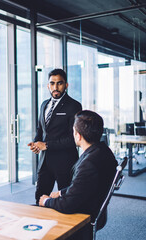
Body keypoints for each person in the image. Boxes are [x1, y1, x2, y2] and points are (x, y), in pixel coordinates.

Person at [39, 110, 118, 239]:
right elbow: (85, 186)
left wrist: (47, 201)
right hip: (94, 207)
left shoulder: (89, 164)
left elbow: (68, 205)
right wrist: (61, 192)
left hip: (84, 216)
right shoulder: (103, 151)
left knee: (36, 214)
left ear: (78, 135)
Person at [28, 68, 82, 205]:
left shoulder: (74, 106)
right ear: (48, 85)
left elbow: (73, 139)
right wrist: (35, 144)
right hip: (45, 162)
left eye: (59, 83)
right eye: (52, 83)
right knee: (40, 199)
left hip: (65, 162)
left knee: (67, 201)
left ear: (66, 85)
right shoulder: (44, 105)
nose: (55, 87)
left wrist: (46, 145)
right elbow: (41, 130)